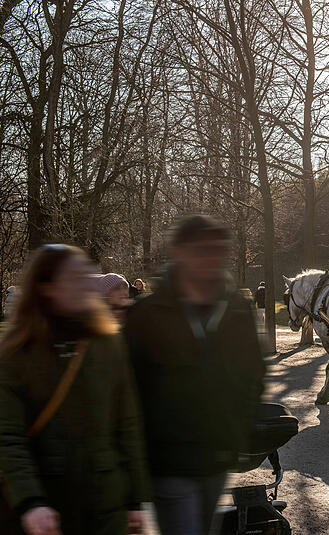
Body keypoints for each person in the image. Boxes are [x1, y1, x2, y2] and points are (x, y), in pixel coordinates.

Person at [124, 215, 265, 535]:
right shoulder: (146, 315)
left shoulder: (236, 310)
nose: (212, 259)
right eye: (202, 250)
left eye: (218, 250)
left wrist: (236, 431)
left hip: (216, 458)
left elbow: (254, 376)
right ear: (180, 252)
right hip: (168, 464)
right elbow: (127, 396)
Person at [0, 244, 148, 535]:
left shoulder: (107, 344)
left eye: (86, 276)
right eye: (74, 278)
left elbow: (127, 425)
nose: (85, 285)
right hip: (45, 510)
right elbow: (7, 437)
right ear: (47, 288)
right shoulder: (16, 354)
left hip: (105, 506)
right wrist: (31, 502)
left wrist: (135, 500)